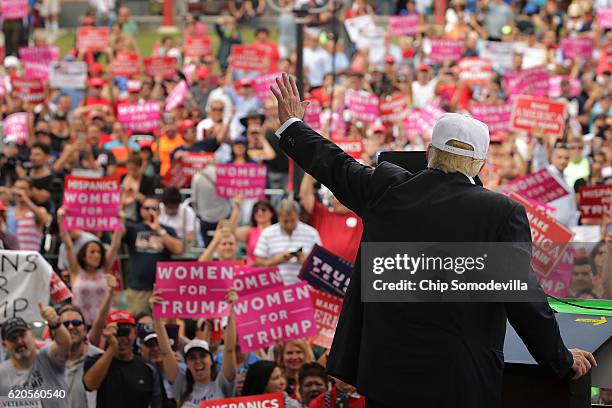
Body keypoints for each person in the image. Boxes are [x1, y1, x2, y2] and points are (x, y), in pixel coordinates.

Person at [270, 74, 596, 407]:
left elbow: (335, 165)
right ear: (479, 163)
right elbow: (523, 299)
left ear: (429, 152)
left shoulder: (386, 188)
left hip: (387, 376)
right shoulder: (501, 212)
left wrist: (293, 125)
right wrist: (560, 359)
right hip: (460, 380)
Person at [150, 289, 238, 407]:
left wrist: (231, 310)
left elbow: (229, 349)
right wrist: (157, 314)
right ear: (186, 363)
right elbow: (166, 352)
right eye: (192, 358)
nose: (198, 361)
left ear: (211, 360)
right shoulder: (181, 386)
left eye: (202, 356)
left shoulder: (222, 383)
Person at [83, 310, 163, 408]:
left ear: (135, 332)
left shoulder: (148, 368)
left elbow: (158, 404)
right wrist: (112, 346)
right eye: (117, 332)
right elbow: (90, 385)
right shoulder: (95, 361)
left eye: (125, 331)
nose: (122, 338)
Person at [58, 208, 122, 325]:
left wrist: (119, 221)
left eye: (99, 252)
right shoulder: (76, 272)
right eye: (92, 252)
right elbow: (68, 245)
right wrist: (61, 220)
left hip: (103, 325)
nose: (96, 255)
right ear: (83, 256)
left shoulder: (104, 270)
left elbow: (114, 247)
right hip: (79, 325)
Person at [121, 196, 183, 316]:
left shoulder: (167, 230)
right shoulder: (133, 229)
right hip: (138, 290)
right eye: (146, 208)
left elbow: (178, 249)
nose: (150, 211)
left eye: (153, 208)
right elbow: (118, 231)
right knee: (138, 324)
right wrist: (123, 207)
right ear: (141, 210)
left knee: (162, 327)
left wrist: (159, 230)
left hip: (162, 290)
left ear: (159, 211)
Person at [0, 303, 71, 408]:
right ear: (5, 345)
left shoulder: (48, 357)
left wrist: (55, 323)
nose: (19, 341)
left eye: (22, 335)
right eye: (13, 338)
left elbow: (65, 343)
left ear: (32, 335)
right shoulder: (2, 373)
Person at [299, 173, 363, 263]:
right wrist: (309, 172)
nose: (340, 200)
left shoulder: (361, 217)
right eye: (337, 196)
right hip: (323, 271)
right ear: (332, 198)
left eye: (344, 196)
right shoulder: (322, 214)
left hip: (353, 273)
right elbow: (304, 197)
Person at [254, 199, 322, 284]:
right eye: (285, 221)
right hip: (276, 289)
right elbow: (258, 264)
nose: (289, 224)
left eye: (292, 221)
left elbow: (321, 266)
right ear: (279, 217)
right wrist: (276, 260)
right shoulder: (267, 233)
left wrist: (305, 261)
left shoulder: (311, 233)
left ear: (298, 216)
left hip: (304, 289)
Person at [57, 304, 104, 408]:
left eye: (76, 323)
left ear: (85, 330)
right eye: (65, 324)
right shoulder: (47, 363)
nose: (71, 327)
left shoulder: (101, 359)